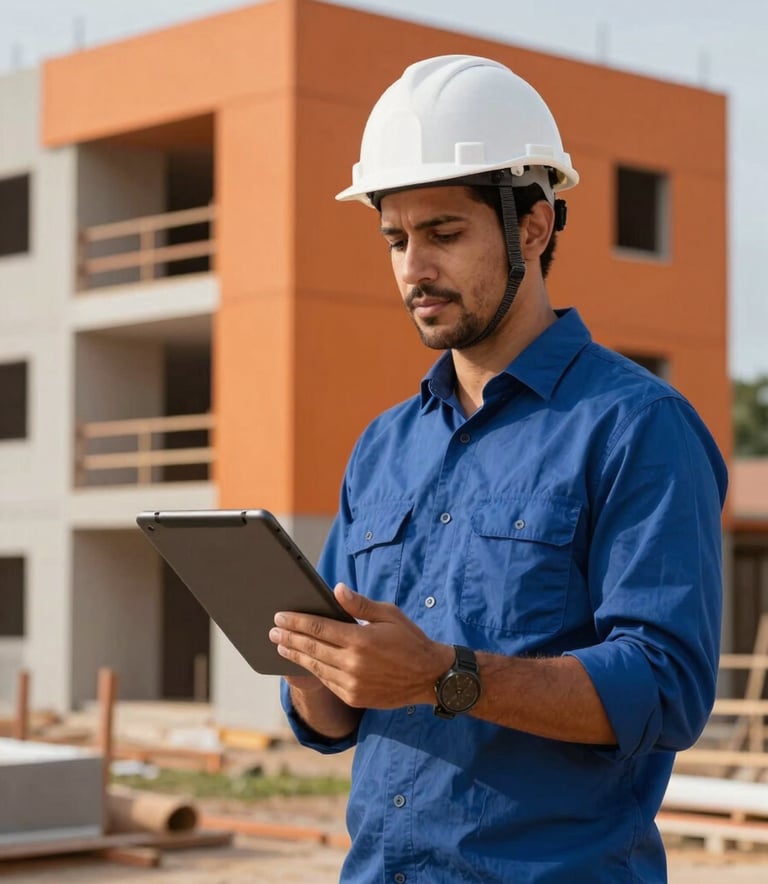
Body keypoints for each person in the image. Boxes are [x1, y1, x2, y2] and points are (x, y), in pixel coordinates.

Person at [269, 55, 728, 883]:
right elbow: (332, 715)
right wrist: (311, 663)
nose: (413, 268)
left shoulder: (637, 427)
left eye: (444, 233)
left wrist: (445, 677)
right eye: (396, 239)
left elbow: (665, 688)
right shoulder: (383, 445)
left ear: (535, 227)